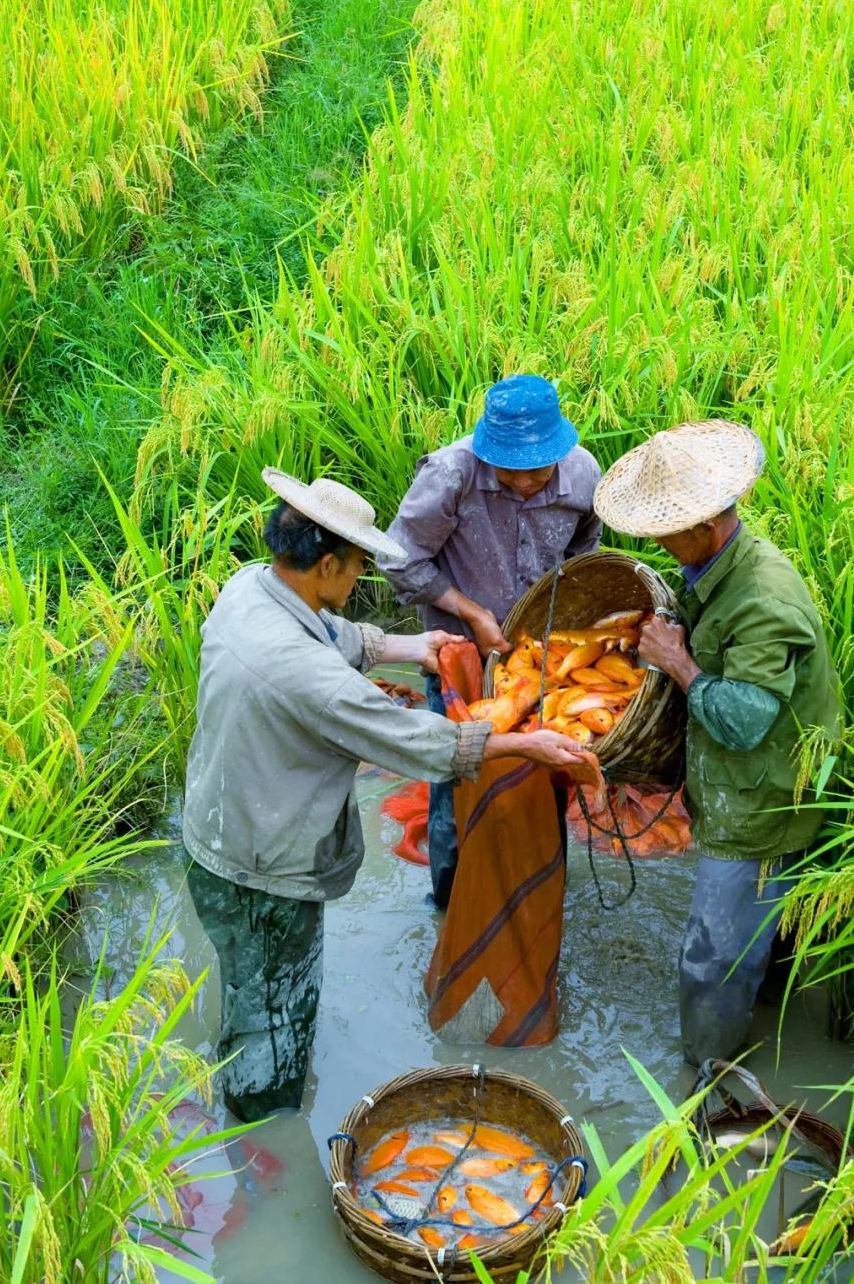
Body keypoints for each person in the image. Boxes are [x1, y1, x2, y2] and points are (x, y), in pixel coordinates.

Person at [182, 468, 584, 1122]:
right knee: (274, 1019)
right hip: (261, 872)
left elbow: (333, 635)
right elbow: (418, 744)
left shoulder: (250, 590)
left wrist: (411, 645)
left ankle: (251, 1076)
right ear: (329, 565)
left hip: (216, 832)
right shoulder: (309, 677)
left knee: (251, 987)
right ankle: (265, 1136)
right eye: (358, 567)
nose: (359, 580)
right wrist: (526, 747)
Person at [594, 421, 840, 1066]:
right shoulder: (713, 566)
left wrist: (679, 664)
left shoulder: (762, 597)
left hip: (761, 800)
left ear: (705, 524)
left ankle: (706, 1078)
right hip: (740, 783)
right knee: (764, 932)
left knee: (713, 957)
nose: (657, 544)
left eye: (663, 533)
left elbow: (746, 721)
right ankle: (759, 1013)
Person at [378, 374, 601, 908]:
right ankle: (452, 901)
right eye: (510, 470)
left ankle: (540, 891)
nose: (525, 483)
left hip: (539, 656)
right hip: (457, 653)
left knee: (547, 769)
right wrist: (471, 612)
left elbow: (583, 555)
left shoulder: (583, 473)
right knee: (454, 774)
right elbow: (397, 557)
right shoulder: (451, 473)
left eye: (537, 471)